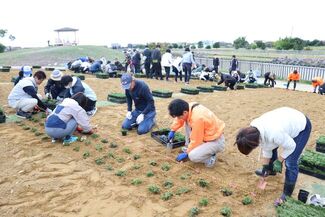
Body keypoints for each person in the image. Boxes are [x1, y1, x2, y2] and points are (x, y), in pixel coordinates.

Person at [234, 107, 312, 206]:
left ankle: (287, 194)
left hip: (301, 126)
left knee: (290, 162)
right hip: (284, 122)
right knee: (272, 145)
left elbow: (291, 146)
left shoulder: (274, 133)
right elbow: (267, 148)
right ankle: (271, 170)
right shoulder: (254, 131)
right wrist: (264, 171)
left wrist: (279, 161)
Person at [167, 99, 225, 167]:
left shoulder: (197, 119)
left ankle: (209, 158)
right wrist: (173, 130)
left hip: (216, 141)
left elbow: (196, 140)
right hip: (207, 136)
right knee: (186, 121)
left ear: (185, 112)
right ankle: (196, 149)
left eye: (178, 116)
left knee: (192, 156)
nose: (178, 118)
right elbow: (179, 119)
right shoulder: (189, 107)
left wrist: (187, 153)